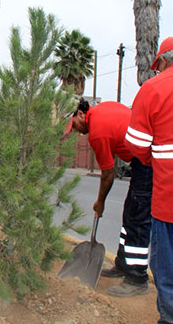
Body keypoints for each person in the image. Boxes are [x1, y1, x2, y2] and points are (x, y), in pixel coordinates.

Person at [64, 99, 153, 297]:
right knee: (130, 214)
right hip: (142, 158)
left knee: (137, 218)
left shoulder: (98, 132)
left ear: (80, 114)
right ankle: (122, 264)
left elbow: (108, 174)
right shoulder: (102, 110)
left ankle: (137, 279)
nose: (76, 131)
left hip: (148, 160)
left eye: (74, 126)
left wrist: (100, 202)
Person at [124, 37, 173, 324]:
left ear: (163, 61)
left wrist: (149, 160)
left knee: (167, 268)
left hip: (168, 196)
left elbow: (136, 146)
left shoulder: (154, 89)